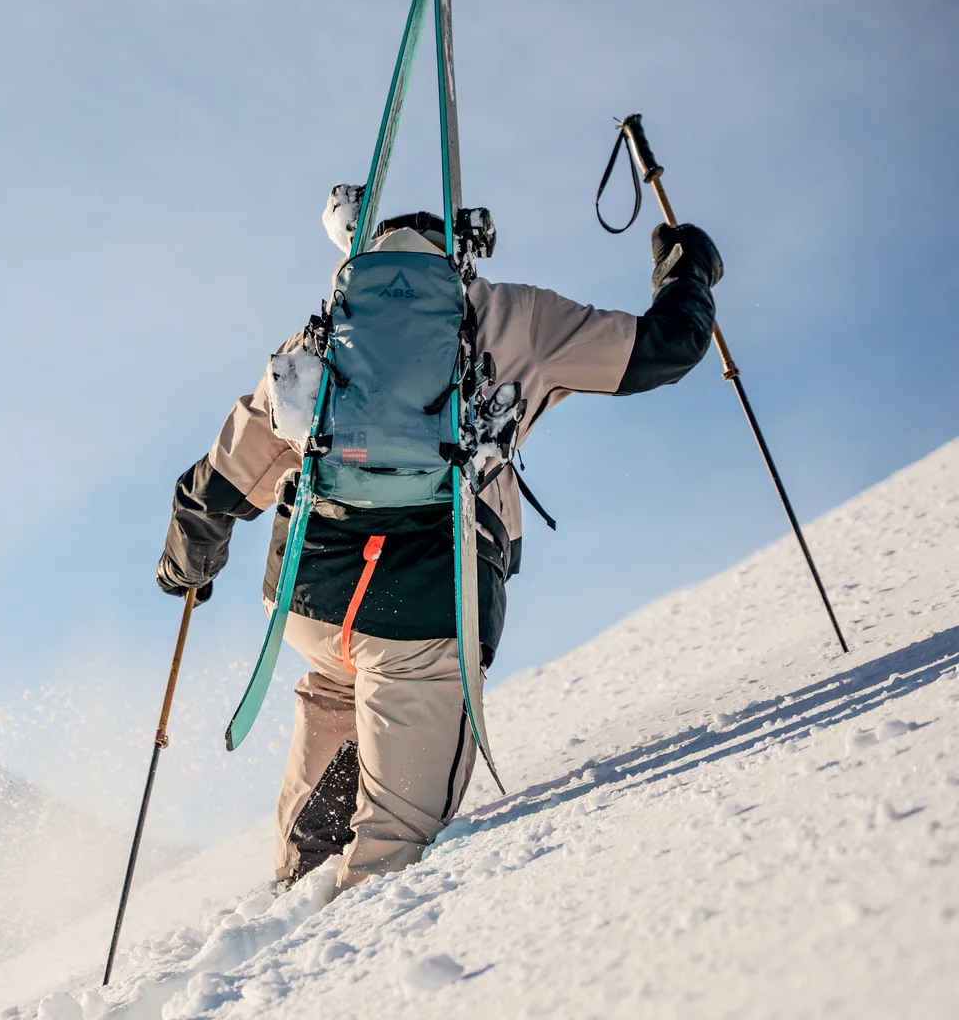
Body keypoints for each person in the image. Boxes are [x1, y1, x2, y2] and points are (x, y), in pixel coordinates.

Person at [156, 198, 721, 892]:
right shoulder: (519, 316)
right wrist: (689, 267)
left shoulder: (330, 329)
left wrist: (187, 566)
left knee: (337, 688)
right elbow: (666, 347)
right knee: (394, 852)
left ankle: (294, 896)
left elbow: (222, 479)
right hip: (426, 611)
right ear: (463, 252)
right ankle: (342, 940)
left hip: (310, 602)